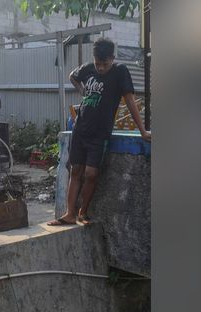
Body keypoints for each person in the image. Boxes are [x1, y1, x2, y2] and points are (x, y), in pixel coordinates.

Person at [48, 37, 150, 227]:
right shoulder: (88, 68)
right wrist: (82, 90)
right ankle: (69, 214)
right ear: (93, 59)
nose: (101, 68)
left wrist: (142, 130)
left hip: (100, 133)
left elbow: (129, 101)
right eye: (98, 64)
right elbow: (72, 75)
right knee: (75, 170)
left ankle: (82, 212)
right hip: (80, 128)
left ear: (113, 58)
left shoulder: (120, 72)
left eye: (105, 64)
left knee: (91, 173)